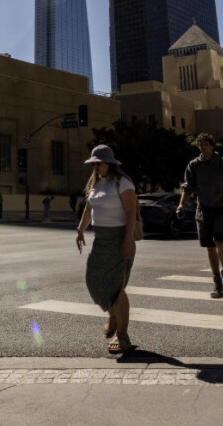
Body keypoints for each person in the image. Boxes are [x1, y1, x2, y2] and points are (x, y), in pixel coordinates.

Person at [75, 145, 138, 355]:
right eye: (93, 164)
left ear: (110, 163)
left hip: (119, 238)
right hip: (101, 239)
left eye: (99, 163)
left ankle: (123, 336)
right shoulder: (95, 183)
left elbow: (131, 213)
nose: (95, 167)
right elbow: (89, 207)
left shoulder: (123, 182)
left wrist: (127, 241)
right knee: (93, 280)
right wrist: (80, 230)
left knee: (116, 287)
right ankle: (112, 316)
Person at [176, 133, 223, 299]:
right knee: (209, 245)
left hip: (221, 208)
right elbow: (187, 187)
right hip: (203, 209)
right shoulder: (194, 165)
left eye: (205, 145)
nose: (203, 148)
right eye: (200, 145)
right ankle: (217, 282)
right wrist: (181, 204)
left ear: (212, 146)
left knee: (220, 242)